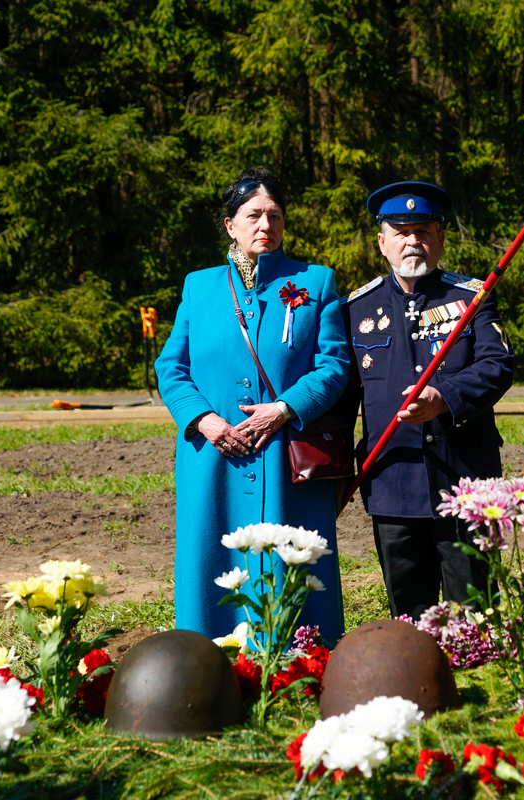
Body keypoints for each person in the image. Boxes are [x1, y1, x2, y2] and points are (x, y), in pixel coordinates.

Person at [156, 168, 350, 643]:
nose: (266, 225)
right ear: (230, 225)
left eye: (275, 215)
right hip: (214, 457)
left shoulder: (316, 282)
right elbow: (171, 367)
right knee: (212, 552)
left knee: (292, 556)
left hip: (286, 453)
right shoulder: (198, 287)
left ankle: (297, 657)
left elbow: (334, 365)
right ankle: (208, 656)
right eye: (254, 215)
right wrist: (204, 420)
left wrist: (284, 407)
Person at [339, 181, 514, 620]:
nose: (412, 241)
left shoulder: (471, 298)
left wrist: (445, 397)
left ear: (440, 239)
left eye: (423, 230)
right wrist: (339, 468)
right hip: (392, 480)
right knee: (409, 614)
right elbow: (342, 398)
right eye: (400, 232)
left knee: (474, 613)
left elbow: (498, 365)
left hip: (464, 475)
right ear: (382, 242)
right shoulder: (356, 309)